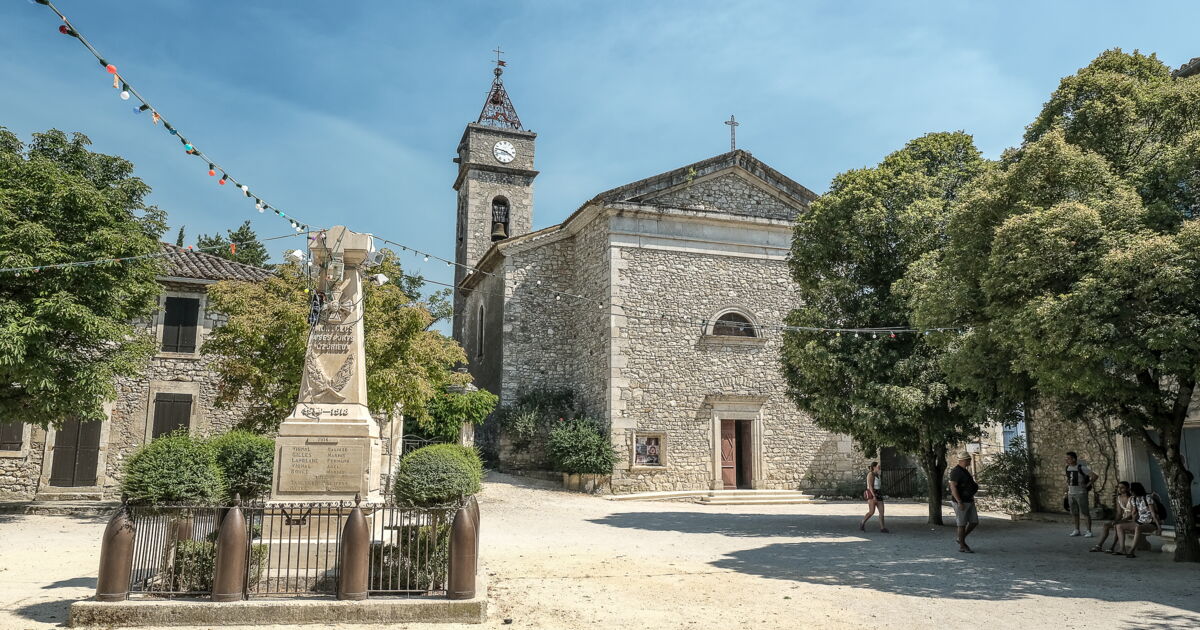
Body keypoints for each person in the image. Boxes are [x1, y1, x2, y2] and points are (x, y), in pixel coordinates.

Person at [1114, 482, 1161, 558]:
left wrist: (1159, 528)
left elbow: (1153, 514)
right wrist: (1131, 519)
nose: (1130, 492)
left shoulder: (1147, 498)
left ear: (1135, 490)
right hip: (1140, 522)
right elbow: (1134, 513)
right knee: (1119, 526)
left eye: (1131, 490)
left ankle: (1132, 550)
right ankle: (1122, 549)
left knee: (1138, 528)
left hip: (1151, 523)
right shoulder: (1134, 499)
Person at [948, 452, 980, 553]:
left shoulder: (964, 471)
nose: (970, 461)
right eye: (968, 459)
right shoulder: (956, 471)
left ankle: (960, 538)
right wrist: (959, 501)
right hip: (961, 502)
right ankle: (962, 545)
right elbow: (953, 487)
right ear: (963, 460)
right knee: (961, 524)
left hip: (969, 500)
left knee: (974, 521)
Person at [1090, 481, 1133, 553]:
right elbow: (1119, 513)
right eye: (1119, 487)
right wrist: (1116, 520)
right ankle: (1099, 546)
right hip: (1123, 518)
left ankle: (1112, 547)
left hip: (1131, 519)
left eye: (1122, 488)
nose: (1120, 489)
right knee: (1106, 525)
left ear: (1127, 488)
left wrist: (1120, 521)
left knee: (1117, 526)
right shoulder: (1119, 498)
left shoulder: (1131, 498)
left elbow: (1132, 513)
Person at [1064, 451, 1096, 537]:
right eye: (1066, 458)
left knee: (1085, 512)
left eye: (1068, 458)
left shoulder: (1081, 467)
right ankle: (1076, 530)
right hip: (1071, 493)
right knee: (1074, 513)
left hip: (1081, 493)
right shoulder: (1067, 468)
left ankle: (1089, 531)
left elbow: (1094, 476)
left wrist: (1087, 485)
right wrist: (1066, 492)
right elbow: (1068, 481)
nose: (1066, 460)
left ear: (1074, 459)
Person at [859, 462, 889, 533]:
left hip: (878, 493)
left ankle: (882, 528)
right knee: (871, 512)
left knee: (881, 512)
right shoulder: (871, 474)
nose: (879, 467)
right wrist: (874, 496)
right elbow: (870, 486)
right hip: (872, 494)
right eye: (878, 466)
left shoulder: (878, 475)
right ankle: (862, 522)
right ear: (874, 467)